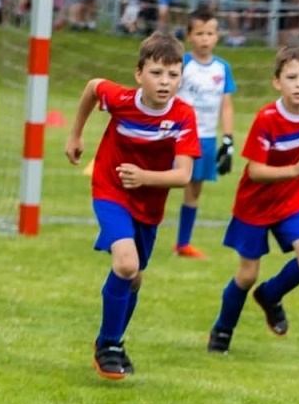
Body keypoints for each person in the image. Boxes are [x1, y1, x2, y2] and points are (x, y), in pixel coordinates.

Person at [63, 33, 200, 380]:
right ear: (139, 74)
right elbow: (94, 87)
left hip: (148, 201)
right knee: (125, 264)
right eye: (156, 73)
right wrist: (75, 135)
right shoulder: (121, 99)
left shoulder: (183, 116)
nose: (165, 82)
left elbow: (183, 176)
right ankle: (107, 345)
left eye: (173, 74)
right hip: (110, 189)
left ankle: (115, 342)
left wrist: (144, 177)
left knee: (134, 277)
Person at [209, 46, 299, 354]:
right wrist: (295, 169)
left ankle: (270, 296)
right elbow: (255, 171)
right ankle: (222, 330)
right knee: (247, 274)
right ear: (276, 82)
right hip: (254, 205)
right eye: (291, 77)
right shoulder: (267, 118)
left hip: (292, 202)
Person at [171, 9, 235, 259]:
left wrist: (228, 138)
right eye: (199, 33)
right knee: (158, 182)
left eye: (210, 33)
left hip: (206, 138)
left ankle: (183, 244)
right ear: (189, 36)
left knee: (194, 188)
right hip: (178, 135)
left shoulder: (222, 68)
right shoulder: (182, 64)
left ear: (217, 36)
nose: (205, 38)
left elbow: (226, 104)